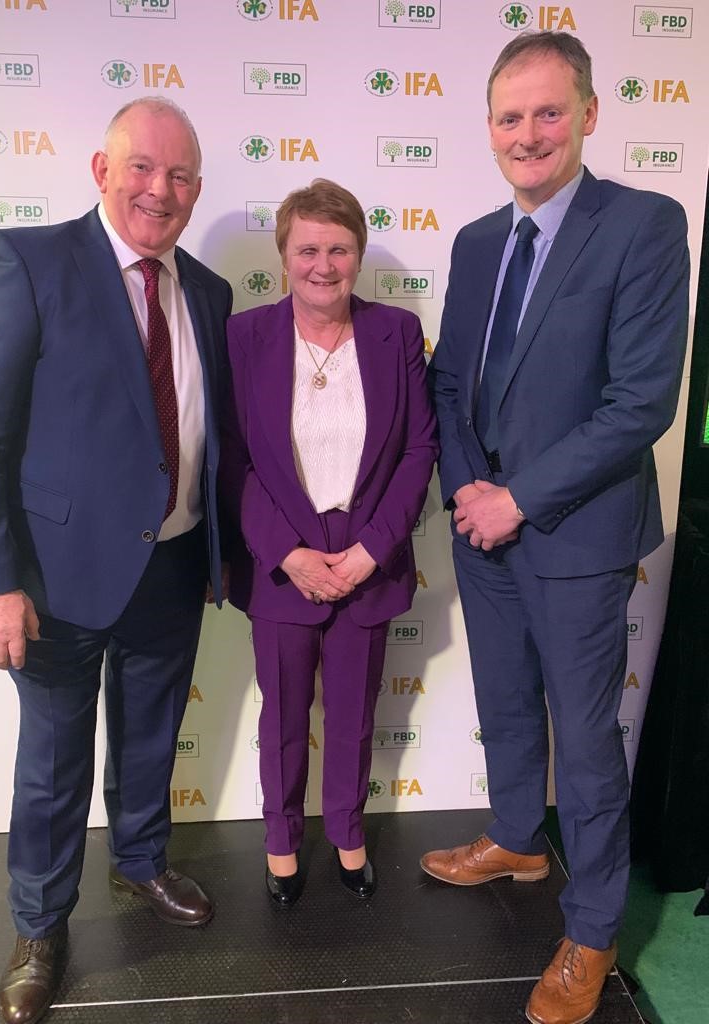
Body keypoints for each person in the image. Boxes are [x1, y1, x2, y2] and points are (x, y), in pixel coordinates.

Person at [0, 97, 232, 1024]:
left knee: (151, 737)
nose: (162, 189)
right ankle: (40, 922)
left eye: (182, 175)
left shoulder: (212, 293)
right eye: (143, 168)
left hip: (176, 565)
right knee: (55, 760)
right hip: (55, 580)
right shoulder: (25, 262)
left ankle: (142, 861)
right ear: (101, 172)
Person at [421, 31, 689, 1024]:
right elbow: (451, 383)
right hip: (481, 528)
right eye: (508, 115)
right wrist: (466, 490)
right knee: (503, 703)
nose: (526, 133)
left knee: (585, 745)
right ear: (488, 127)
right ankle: (514, 837)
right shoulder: (478, 240)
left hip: (574, 536)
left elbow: (640, 403)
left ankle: (590, 930)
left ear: (587, 113)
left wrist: (518, 498)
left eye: (546, 111)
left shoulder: (645, 224)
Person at [221, 179, 438, 907]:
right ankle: (281, 839)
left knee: (352, 717)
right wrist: (287, 553)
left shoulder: (396, 334)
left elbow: (418, 452)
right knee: (281, 718)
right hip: (284, 566)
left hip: (368, 561)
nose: (323, 263)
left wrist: (372, 551)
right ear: (283, 255)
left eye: (339, 248)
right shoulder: (245, 336)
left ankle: (347, 832)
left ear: (359, 254)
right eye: (307, 248)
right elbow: (235, 462)